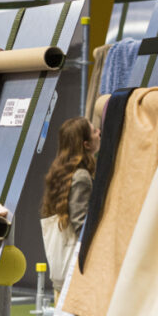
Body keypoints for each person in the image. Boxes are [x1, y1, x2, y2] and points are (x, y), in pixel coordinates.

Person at [39, 117, 100, 292]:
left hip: (63, 278)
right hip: (77, 277)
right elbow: (81, 224)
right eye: (94, 131)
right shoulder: (81, 177)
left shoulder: (62, 173)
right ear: (86, 144)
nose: (99, 133)